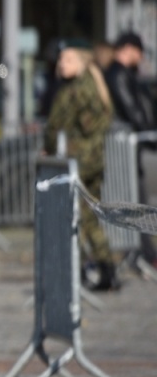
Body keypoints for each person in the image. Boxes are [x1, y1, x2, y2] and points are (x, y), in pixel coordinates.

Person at [46, 43, 116, 290]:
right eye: (61, 59)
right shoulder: (96, 85)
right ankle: (107, 270)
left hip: (80, 163)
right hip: (95, 160)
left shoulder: (73, 91)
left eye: (67, 59)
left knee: (73, 217)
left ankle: (74, 274)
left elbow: (54, 125)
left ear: (81, 63)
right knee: (90, 216)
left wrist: (48, 147)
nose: (61, 64)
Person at [103, 30, 155, 265]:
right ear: (129, 49)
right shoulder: (119, 75)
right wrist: (148, 133)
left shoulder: (121, 74)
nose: (141, 58)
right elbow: (132, 110)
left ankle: (143, 251)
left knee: (137, 202)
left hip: (129, 146)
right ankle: (142, 253)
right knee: (136, 202)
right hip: (127, 147)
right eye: (139, 52)